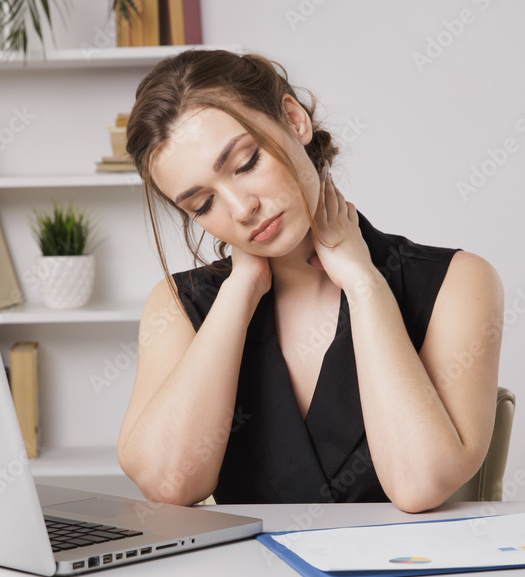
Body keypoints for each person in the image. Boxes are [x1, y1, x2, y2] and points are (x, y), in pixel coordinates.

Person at [117, 49, 504, 512]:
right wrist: (241, 288)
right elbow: (168, 485)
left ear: (294, 119)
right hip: (247, 564)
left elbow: (419, 483)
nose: (241, 209)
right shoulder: (180, 305)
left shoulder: (457, 282)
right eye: (202, 205)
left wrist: (364, 285)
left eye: (246, 163)